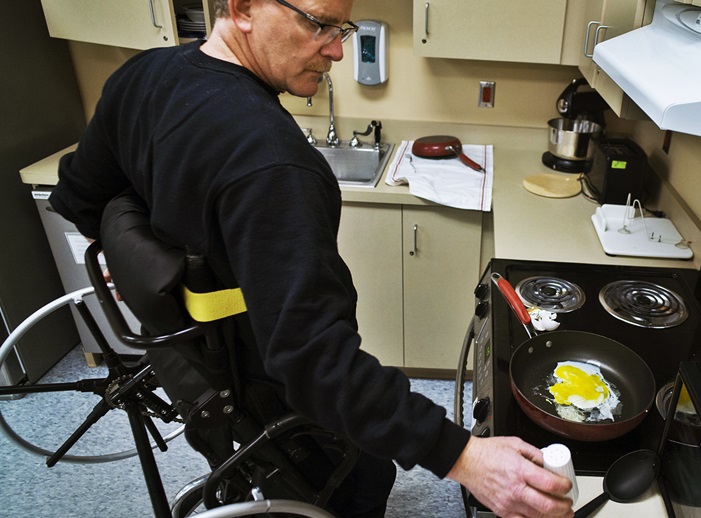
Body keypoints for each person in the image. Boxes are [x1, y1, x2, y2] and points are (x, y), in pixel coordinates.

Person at [49, 1, 574, 516]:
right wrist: (463, 455)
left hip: (196, 380)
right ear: (244, 8)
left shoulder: (143, 74)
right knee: (364, 481)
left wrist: (134, 260)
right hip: (278, 408)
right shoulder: (272, 165)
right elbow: (316, 362)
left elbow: (78, 195)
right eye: (319, 24)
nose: (338, 51)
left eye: (341, 28)